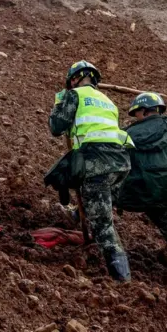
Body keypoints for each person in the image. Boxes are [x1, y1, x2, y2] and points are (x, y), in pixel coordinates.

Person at [48, 61, 134, 281]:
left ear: (75, 79)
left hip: (98, 164)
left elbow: (56, 127)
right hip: (121, 164)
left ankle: (122, 279)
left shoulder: (74, 95)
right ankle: (82, 215)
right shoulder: (108, 101)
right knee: (100, 210)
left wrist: (59, 104)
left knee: (102, 225)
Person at [118, 93, 167, 283]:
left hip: (135, 193)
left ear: (143, 112)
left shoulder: (127, 134)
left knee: (101, 200)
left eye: (136, 113)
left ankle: (108, 253)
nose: (135, 117)